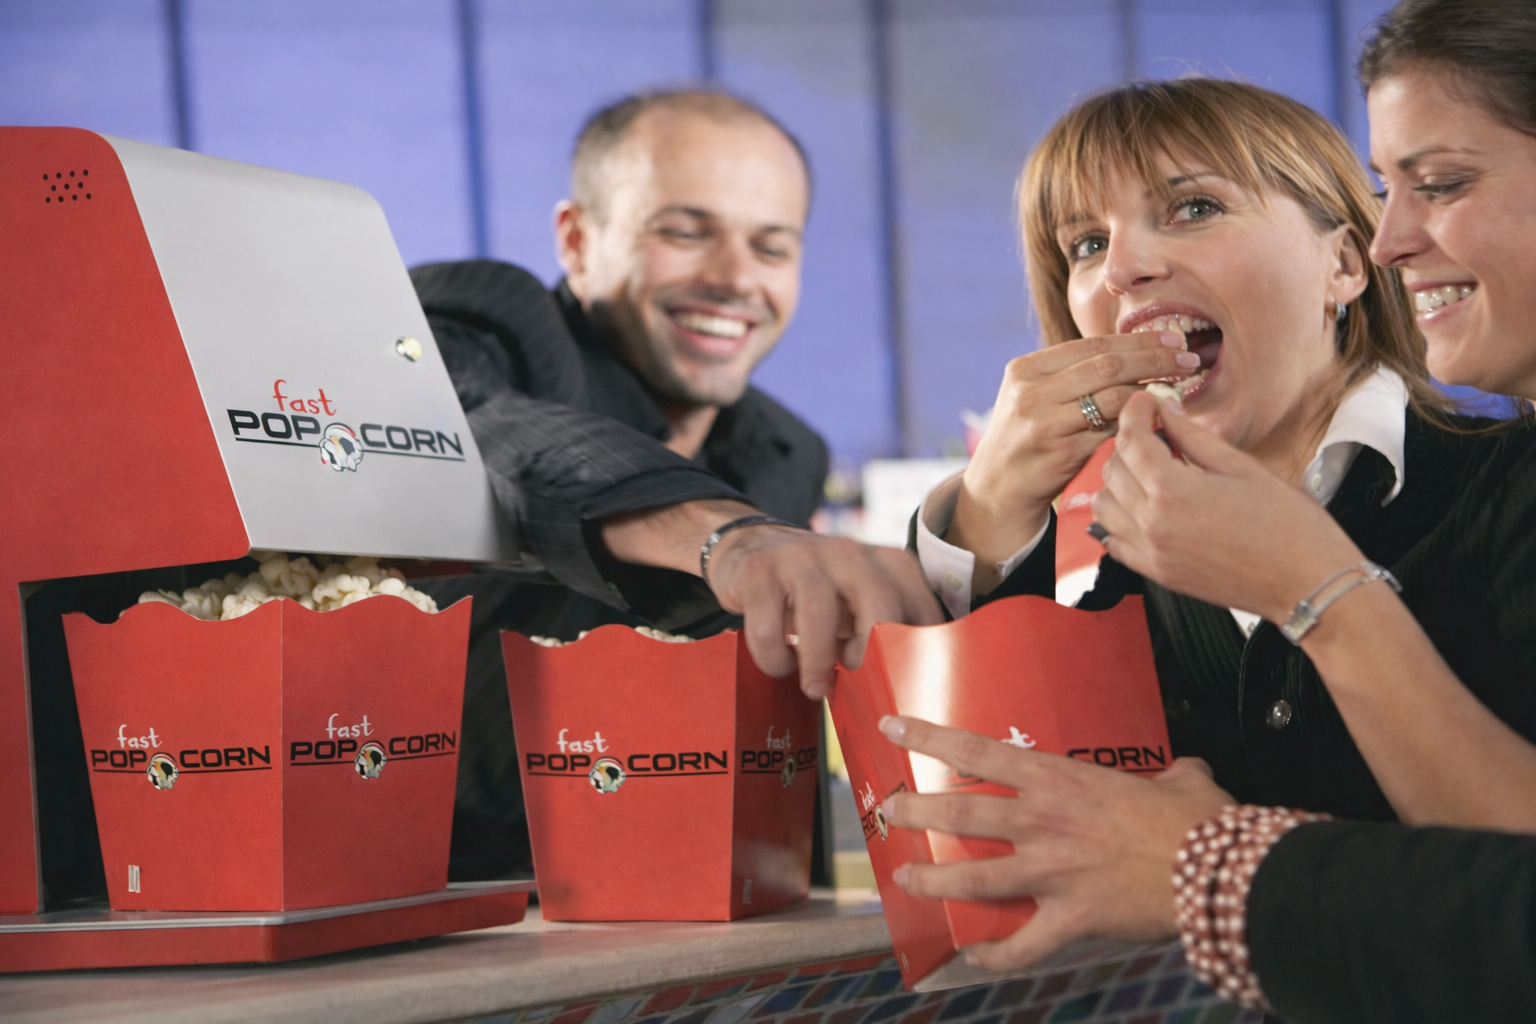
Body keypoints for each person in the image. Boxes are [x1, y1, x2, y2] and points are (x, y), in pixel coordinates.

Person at [882, 3, 1536, 1020]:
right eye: (1084, 243)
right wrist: (989, 509)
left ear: (1345, 264)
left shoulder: (1506, 476)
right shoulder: (1128, 563)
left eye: (1192, 208)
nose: (1123, 268)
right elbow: (991, 827)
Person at [412, 90, 938, 878]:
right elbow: (483, 432)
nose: (734, 278)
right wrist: (730, 539)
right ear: (578, 239)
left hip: (677, 904)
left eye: (771, 248)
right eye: (685, 233)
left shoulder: (788, 450)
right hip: (429, 895)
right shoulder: (490, 326)